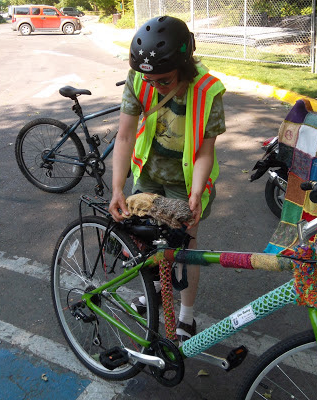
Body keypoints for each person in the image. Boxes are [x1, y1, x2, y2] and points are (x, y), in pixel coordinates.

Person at [108, 15, 226, 342]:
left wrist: (197, 192)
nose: (155, 87)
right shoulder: (139, 80)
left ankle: (187, 315)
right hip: (148, 173)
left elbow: (204, 150)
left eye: (165, 80)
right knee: (147, 242)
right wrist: (118, 187)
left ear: (184, 66)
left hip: (185, 181)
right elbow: (125, 137)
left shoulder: (207, 91)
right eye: (151, 80)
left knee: (184, 247)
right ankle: (154, 294)